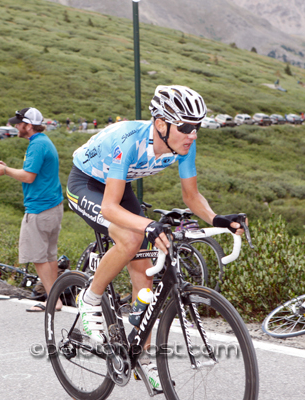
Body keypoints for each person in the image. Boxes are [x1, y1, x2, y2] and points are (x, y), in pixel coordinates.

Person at [67, 85, 246, 391]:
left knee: (146, 269)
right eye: (187, 127)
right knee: (130, 239)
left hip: (118, 187)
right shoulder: (128, 140)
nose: (193, 135)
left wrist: (217, 219)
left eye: (197, 127)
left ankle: (144, 357)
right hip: (86, 183)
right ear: (161, 124)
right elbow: (110, 207)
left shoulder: (183, 146)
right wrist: (147, 226)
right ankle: (90, 299)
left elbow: (191, 195)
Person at [0, 107, 64, 312]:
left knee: (39, 257)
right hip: (53, 206)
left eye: (18, 123)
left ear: (28, 125)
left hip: (39, 208)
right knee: (49, 256)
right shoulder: (43, 142)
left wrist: (5, 171)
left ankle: (53, 300)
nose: (15, 126)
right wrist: (8, 168)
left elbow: (28, 176)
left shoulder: (37, 145)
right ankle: (55, 297)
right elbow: (30, 172)